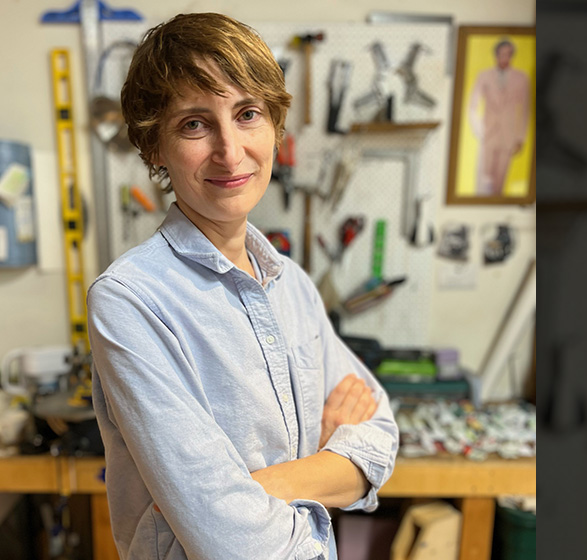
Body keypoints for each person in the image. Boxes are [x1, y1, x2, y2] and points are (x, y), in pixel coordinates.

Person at [86, 13, 399, 559]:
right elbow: (228, 540)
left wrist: (260, 485)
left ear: (274, 128)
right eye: (194, 124)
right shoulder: (130, 301)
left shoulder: (292, 285)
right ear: (155, 146)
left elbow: (379, 437)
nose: (230, 152)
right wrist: (327, 467)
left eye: (247, 114)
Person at [468, 38, 531, 196]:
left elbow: (524, 110)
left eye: (508, 55)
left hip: (508, 136)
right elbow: (472, 106)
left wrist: (520, 138)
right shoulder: (484, 76)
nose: (505, 58)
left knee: (500, 182)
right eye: (502, 55)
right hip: (488, 134)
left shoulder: (521, 78)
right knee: (484, 180)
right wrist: (480, 130)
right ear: (496, 55)